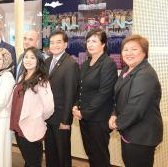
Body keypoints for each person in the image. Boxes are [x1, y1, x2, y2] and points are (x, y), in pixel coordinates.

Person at [109, 35, 163, 167]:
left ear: (145, 52)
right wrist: (114, 114)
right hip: (130, 131)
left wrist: (117, 123)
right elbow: (120, 97)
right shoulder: (127, 69)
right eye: (125, 49)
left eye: (134, 49)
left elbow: (136, 107)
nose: (129, 53)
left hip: (141, 136)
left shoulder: (145, 74)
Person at [72, 29, 117, 167]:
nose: (90, 44)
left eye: (94, 41)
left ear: (103, 44)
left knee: (100, 156)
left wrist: (84, 112)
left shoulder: (108, 63)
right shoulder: (86, 63)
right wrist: (76, 105)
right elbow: (82, 88)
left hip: (99, 119)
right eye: (88, 41)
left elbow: (104, 93)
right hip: (85, 118)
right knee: (91, 153)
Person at [10, 47, 54, 167]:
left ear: (38, 60)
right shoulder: (22, 76)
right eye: (26, 57)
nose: (28, 60)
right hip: (18, 126)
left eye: (32, 57)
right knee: (28, 160)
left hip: (32, 128)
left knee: (33, 162)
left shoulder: (41, 80)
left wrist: (37, 118)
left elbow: (49, 107)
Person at [44, 30, 80, 167]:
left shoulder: (71, 64)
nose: (54, 45)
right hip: (47, 116)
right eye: (52, 42)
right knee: (50, 152)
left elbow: (71, 94)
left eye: (58, 42)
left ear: (65, 44)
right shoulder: (47, 62)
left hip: (61, 118)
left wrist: (66, 121)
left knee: (62, 154)